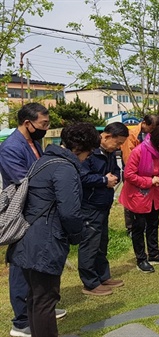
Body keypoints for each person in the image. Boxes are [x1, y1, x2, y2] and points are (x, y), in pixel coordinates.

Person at [9, 122, 100, 337]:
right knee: (45, 300)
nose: (88, 157)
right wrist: (77, 235)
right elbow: (70, 212)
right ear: (82, 148)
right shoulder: (65, 168)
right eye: (89, 153)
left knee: (35, 297)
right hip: (44, 242)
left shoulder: (43, 161)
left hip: (27, 236)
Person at [0, 103, 67, 337]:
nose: (46, 128)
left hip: (37, 211)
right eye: (43, 124)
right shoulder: (10, 148)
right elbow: (22, 180)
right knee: (21, 265)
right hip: (22, 212)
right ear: (27, 123)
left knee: (35, 264)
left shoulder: (35, 143)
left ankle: (38, 307)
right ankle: (20, 321)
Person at [78, 122, 129, 296]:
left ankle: (103, 275)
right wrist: (102, 180)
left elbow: (116, 170)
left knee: (101, 242)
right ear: (106, 136)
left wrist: (114, 177)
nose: (119, 146)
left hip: (104, 204)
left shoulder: (110, 153)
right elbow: (82, 177)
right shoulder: (89, 152)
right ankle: (90, 283)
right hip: (89, 205)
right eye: (118, 143)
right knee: (90, 244)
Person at [119, 124, 159, 273]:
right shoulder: (139, 151)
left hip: (153, 194)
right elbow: (129, 175)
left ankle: (154, 253)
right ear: (157, 139)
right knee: (139, 228)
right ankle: (141, 259)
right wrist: (149, 181)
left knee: (153, 224)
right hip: (138, 195)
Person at [120, 114, 159, 236]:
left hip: (149, 174)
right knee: (132, 200)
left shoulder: (151, 135)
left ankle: (146, 223)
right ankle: (131, 227)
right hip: (135, 172)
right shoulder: (132, 134)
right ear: (144, 123)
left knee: (147, 199)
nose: (153, 130)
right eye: (152, 127)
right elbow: (128, 159)